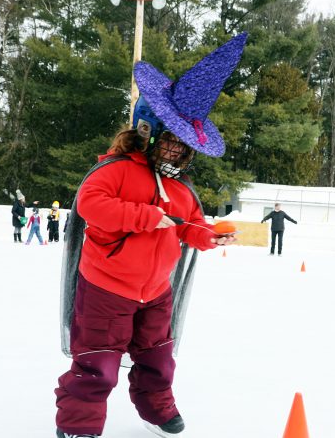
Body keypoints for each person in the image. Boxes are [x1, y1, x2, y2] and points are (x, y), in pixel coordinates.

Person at [54, 33, 246, 438]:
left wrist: (211, 238)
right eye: (170, 141)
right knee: (98, 366)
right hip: (107, 288)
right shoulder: (116, 169)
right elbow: (91, 206)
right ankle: (79, 425)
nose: (176, 152)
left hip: (156, 293)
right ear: (150, 132)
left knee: (158, 361)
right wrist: (145, 216)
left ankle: (157, 410)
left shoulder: (181, 189)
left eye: (184, 146)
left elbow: (192, 228)